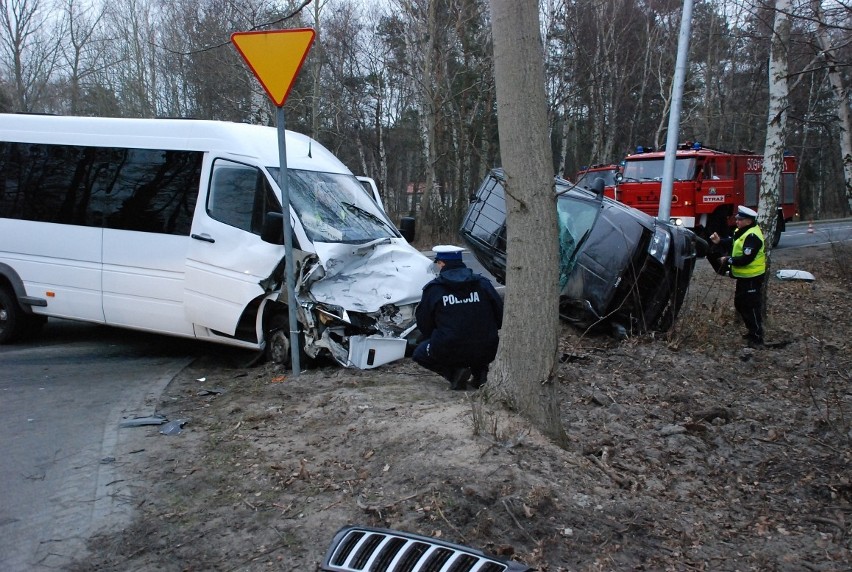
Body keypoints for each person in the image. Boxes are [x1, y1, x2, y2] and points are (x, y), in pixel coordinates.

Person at [412, 245, 503, 390]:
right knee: (477, 339)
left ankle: (455, 373)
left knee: (419, 353)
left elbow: (424, 324)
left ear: (441, 263)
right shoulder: (482, 283)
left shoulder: (434, 289)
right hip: (488, 347)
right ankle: (480, 373)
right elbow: (500, 314)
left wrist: (437, 335)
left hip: (449, 347)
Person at [709, 205, 766, 346]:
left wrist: (727, 260)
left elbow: (746, 259)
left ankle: (757, 337)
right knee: (740, 304)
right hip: (743, 276)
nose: (737, 221)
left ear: (748, 221)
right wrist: (720, 241)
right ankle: (752, 332)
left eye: (740, 219)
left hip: (752, 277)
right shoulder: (741, 231)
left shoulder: (752, 236)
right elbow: (734, 242)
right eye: (736, 218)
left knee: (750, 306)